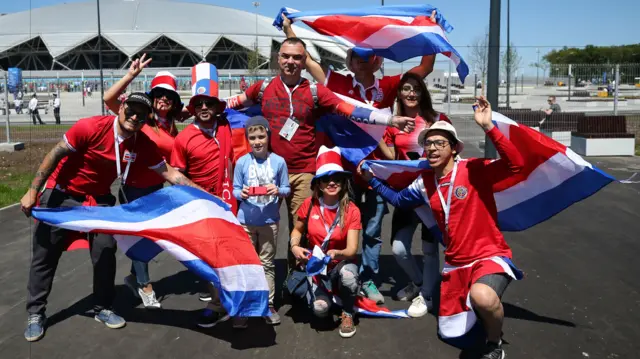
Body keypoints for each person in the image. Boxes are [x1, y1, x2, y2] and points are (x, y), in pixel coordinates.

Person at [20, 93, 206, 343]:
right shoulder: (91, 127)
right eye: (131, 109)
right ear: (121, 107)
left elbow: (170, 174)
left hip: (97, 200)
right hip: (61, 195)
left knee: (106, 249)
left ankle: (103, 307)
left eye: (142, 113)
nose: (135, 116)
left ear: (147, 117)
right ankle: (35, 313)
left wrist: (206, 197)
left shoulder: (142, 143)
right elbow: (55, 153)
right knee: (45, 254)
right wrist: (33, 190)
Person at [280, 13, 438, 303]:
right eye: (356, 58)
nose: (362, 63)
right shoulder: (339, 83)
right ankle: (335, 277)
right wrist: (291, 28)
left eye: (368, 58)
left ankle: (369, 280)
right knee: (341, 228)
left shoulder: (389, 85)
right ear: (349, 62)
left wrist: (427, 27)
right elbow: (311, 64)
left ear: (377, 61)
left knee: (374, 231)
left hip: (378, 171)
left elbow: (425, 67)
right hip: (343, 174)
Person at [361, 97, 524, 359]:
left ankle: (495, 345)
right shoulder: (424, 182)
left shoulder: (474, 170)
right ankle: (484, 318)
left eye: (440, 143)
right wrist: (373, 182)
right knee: (450, 332)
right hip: (456, 263)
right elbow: (400, 200)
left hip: (487, 255)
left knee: (482, 297)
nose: (433, 148)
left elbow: (516, 164)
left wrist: (488, 126)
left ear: (455, 148)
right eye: (428, 143)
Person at [225, 37, 415, 252]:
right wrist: (196, 107)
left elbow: (350, 110)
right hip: (270, 171)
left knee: (302, 235)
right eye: (286, 56)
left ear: (304, 60)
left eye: (297, 57)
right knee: (262, 232)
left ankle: (297, 282)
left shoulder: (315, 91)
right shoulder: (262, 88)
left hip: (305, 173)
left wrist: (389, 120)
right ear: (278, 59)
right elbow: (233, 103)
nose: (291, 61)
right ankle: (262, 282)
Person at [103, 54, 185, 309]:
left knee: (151, 238)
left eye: (169, 97)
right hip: (134, 188)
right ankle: (145, 285)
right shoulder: (140, 119)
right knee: (143, 236)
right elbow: (109, 100)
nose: (163, 99)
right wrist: (131, 75)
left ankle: (134, 277)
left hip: (157, 188)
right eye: (159, 94)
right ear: (152, 97)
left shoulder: (171, 124)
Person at [376, 72, 452, 317]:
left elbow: (451, 153)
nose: (411, 93)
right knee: (399, 248)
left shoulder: (437, 119)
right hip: (407, 195)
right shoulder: (394, 122)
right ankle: (419, 283)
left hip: (433, 194)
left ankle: (427, 295)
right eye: (406, 89)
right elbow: (392, 158)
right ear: (399, 93)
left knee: (430, 250)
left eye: (416, 89)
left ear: (423, 93)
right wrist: (375, 132)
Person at [170, 62, 236, 329]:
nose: (204, 108)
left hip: (232, 202)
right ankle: (218, 302)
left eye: (209, 103)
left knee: (231, 254)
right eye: (199, 104)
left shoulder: (227, 126)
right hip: (201, 207)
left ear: (218, 106)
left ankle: (225, 302)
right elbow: (176, 178)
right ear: (193, 109)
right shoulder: (184, 139)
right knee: (209, 256)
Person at [289, 146, 362, 338]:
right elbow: (297, 229)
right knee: (320, 311)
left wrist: (337, 253)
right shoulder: (309, 204)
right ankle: (325, 296)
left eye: (337, 178)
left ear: (343, 183)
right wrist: (295, 246)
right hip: (317, 267)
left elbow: (352, 250)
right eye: (326, 179)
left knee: (348, 275)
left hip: (340, 264)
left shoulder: (352, 210)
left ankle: (347, 310)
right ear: (318, 185)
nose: (332, 183)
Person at [233, 116, 290, 326]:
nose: (257, 141)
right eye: (252, 137)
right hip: (246, 221)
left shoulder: (278, 162)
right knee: (246, 264)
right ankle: (245, 307)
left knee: (266, 264)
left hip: (269, 220)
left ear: (268, 136)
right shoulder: (242, 162)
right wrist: (243, 193)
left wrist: (278, 190)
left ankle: (268, 304)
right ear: (247, 139)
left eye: (261, 136)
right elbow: (235, 190)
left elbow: (286, 188)